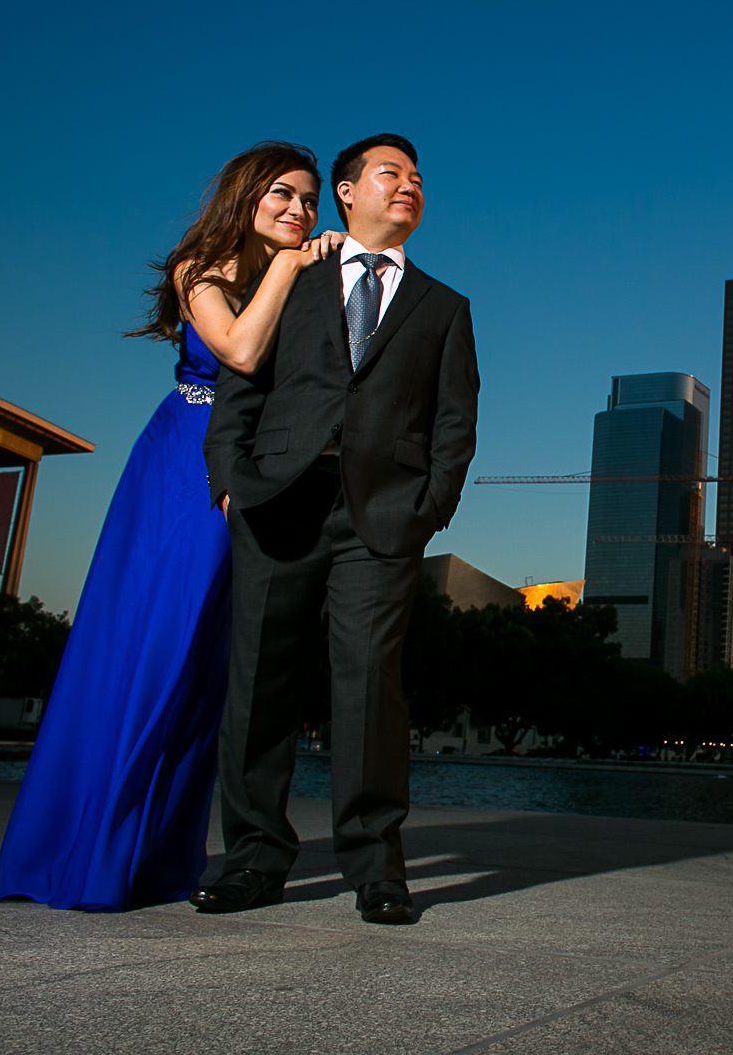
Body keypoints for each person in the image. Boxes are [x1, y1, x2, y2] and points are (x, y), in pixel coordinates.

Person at [0, 142, 342, 911]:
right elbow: (240, 350)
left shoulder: (305, 280)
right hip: (185, 466)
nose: (299, 211)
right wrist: (290, 269)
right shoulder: (202, 268)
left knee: (214, 661)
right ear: (246, 196)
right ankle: (86, 853)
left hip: (259, 469)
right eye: (283, 194)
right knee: (158, 643)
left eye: (311, 200)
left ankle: (158, 858)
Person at [194, 133, 478, 925]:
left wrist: (429, 511)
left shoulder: (444, 307)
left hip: (380, 521)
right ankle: (253, 859)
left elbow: (456, 425)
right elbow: (240, 386)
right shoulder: (293, 274)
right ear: (347, 193)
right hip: (276, 500)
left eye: (419, 177)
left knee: (370, 690)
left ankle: (376, 867)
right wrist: (229, 481)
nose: (410, 185)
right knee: (258, 687)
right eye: (392, 173)